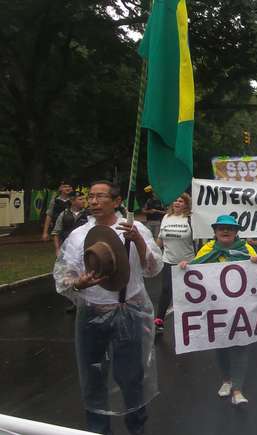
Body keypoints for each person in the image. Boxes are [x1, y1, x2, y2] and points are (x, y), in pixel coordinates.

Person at [53, 180, 163, 435]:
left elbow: (153, 268)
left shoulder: (135, 229)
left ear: (117, 201)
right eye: (90, 196)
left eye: (100, 196)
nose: (93, 201)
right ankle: (98, 429)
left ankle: (137, 428)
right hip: (91, 314)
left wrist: (138, 241)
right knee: (92, 379)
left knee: (131, 378)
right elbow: (63, 277)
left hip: (130, 312)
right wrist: (78, 283)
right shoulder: (79, 236)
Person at [179, 215, 257, 405]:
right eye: (221, 228)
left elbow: (256, 272)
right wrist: (186, 266)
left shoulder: (247, 249)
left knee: (241, 345)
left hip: (240, 307)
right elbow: (196, 269)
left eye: (230, 228)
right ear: (215, 232)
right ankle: (226, 380)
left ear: (236, 232)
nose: (226, 231)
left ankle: (238, 389)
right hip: (215, 308)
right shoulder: (207, 249)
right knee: (221, 345)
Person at [153, 193, 196, 334]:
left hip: (187, 263)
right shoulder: (166, 217)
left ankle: (190, 323)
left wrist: (194, 260)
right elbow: (160, 239)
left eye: (181, 201)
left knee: (187, 294)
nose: (177, 203)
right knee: (166, 290)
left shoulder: (191, 219)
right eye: (175, 200)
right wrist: (152, 253)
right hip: (168, 261)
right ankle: (159, 320)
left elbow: (199, 242)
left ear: (186, 204)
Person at [52, 191, 89, 257]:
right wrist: (57, 249)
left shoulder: (88, 214)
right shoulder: (64, 214)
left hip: (84, 249)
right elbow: (56, 233)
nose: (84, 201)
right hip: (67, 249)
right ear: (72, 201)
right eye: (80, 199)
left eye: (84, 199)